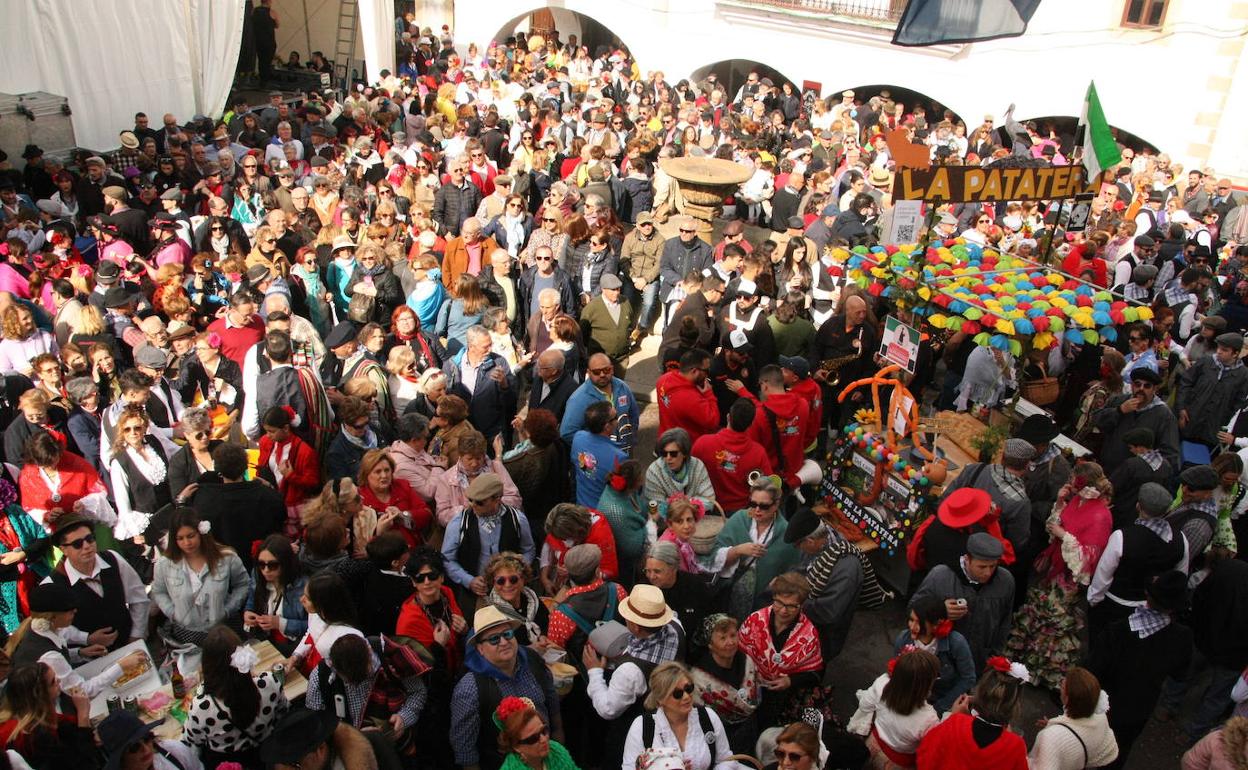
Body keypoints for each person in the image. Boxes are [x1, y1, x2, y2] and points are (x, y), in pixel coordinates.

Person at [1005, 462, 1113, 691]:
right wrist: (1060, 502)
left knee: (1052, 623)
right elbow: (1055, 524)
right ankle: (1025, 657)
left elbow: (1087, 557)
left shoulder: (1100, 517)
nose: (1069, 480)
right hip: (1051, 570)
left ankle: (1041, 671)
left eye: (1073, 477)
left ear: (1083, 483)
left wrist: (1063, 535)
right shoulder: (1077, 500)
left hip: (1067, 581)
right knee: (1038, 612)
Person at [1089, 570, 1194, 769]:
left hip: (1103, 705)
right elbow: (1180, 675)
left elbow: (1093, 669)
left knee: (1087, 749)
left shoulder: (1118, 632)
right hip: (1139, 709)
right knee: (1116, 754)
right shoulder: (1183, 637)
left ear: (1148, 595)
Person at [450, 605, 563, 770]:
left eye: (507, 634)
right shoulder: (470, 689)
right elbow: (465, 750)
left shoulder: (532, 660)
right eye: (494, 639)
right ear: (480, 649)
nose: (504, 642)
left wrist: (558, 742)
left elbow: (552, 705)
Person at [184, 625, 288, 768]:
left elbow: (191, 740)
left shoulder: (201, 706)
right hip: (265, 756)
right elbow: (283, 712)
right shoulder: (270, 683)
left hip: (224, 764)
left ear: (207, 665)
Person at [911, 532, 1015, 670]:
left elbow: (1004, 622)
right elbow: (912, 609)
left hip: (977, 661)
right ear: (967, 559)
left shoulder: (1005, 582)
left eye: (993, 566)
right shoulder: (941, 576)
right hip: (939, 659)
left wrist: (995, 655)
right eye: (982, 567)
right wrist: (940, 609)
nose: (988, 573)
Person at [45, 514, 149, 650]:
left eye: (90, 539)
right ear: (64, 549)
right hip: (90, 658)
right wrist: (86, 638)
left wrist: (136, 636)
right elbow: (51, 627)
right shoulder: (52, 584)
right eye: (78, 544)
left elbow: (138, 598)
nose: (87, 546)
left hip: (129, 642)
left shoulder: (113, 559)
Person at [150, 508, 250, 647]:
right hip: (187, 633)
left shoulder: (227, 558)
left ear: (201, 533)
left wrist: (228, 609)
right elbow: (159, 591)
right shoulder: (164, 564)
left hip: (225, 628)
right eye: (180, 538)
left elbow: (243, 584)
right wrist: (172, 613)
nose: (187, 543)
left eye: (190, 536)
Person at [738, 571, 825, 731]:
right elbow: (739, 652)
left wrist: (790, 680)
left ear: (802, 605)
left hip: (782, 699)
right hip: (749, 686)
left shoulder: (809, 634)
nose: (784, 611)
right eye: (779, 603)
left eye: (792, 606)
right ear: (774, 597)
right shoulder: (755, 620)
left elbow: (815, 672)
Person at [620, 661, 736, 770]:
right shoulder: (642, 727)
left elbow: (726, 760)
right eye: (677, 694)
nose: (686, 696)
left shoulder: (708, 717)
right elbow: (629, 768)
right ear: (660, 699)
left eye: (688, 689)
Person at [186, 442, 285, 569]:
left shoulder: (204, 498)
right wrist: (270, 489)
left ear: (218, 469)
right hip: (261, 564)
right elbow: (281, 514)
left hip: (224, 565)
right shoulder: (266, 495)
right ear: (245, 467)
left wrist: (181, 502)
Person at [712, 476, 800, 619]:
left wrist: (781, 581)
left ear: (776, 504)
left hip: (764, 604)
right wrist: (737, 550)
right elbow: (713, 555)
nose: (757, 510)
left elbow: (794, 571)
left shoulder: (786, 533)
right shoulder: (739, 519)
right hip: (728, 595)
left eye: (764, 506)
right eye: (753, 504)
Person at [442, 473, 536, 604]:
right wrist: (469, 580)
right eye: (470, 500)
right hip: (474, 594)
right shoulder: (459, 522)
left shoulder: (517, 519)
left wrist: (514, 574)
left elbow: (528, 550)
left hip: (511, 591)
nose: (473, 505)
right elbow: (447, 559)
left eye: (480, 502)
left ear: (497, 499)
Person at [914, 664, 1029, 770]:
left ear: (980, 693)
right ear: (1015, 704)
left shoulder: (955, 722)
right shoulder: (1016, 747)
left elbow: (925, 758)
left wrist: (954, 717)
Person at [847, 649, 941, 768]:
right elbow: (931, 751)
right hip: (897, 764)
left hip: (872, 745)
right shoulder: (929, 719)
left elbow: (865, 705)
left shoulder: (882, 683)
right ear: (926, 684)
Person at [0, 662, 96, 767]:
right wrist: (83, 715)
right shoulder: (36, 737)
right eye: (53, 681)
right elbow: (83, 763)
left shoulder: (39, 719)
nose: (59, 681)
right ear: (41, 696)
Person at [1027, 667, 1119, 770]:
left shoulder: (1050, 738)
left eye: (1062, 686)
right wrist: (1056, 726)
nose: (1060, 684)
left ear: (1068, 698)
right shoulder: (1100, 717)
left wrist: (1019, 756)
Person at [693, 398, 773, 515]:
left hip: (708, 510)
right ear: (751, 424)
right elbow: (767, 486)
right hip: (742, 514)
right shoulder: (759, 452)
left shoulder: (703, 443)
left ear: (728, 417)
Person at [1093, 366, 1182, 472]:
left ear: (1154, 389)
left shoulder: (1164, 415)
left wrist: (1146, 457)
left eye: (1147, 386)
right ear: (1132, 385)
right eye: (1137, 384)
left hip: (1133, 475)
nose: (1141, 389)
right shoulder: (1119, 401)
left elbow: (1170, 455)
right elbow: (1097, 420)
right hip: (1106, 467)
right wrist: (1119, 411)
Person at [243, 534, 308, 656]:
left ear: (285, 563)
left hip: (293, 648)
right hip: (265, 641)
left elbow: (313, 626)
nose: (266, 570)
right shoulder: (257, 575)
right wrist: (248, 611)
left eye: (272, 565)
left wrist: (281, 623)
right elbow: (252, 598)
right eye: (261, 564)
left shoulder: (303, 586)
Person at [357, 448, 432, 548]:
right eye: (378, 472)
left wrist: (404, 516)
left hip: (412, 550)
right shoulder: (359, 498)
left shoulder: (402, 485)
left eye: (387, 470)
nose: (384, 475)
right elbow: (360, 547)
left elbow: (427, 513)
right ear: (366, 474)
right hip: (382, 557)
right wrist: (379, 533)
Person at [97, 708, 206, 770]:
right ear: (120, 757)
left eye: (147, 738)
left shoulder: (173, 751)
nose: (145, 749)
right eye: (135, 747)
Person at [484, 552, 549, 649]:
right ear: (493, 583)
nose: (507, 585)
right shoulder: (489, 614)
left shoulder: (533, 599)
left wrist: (543, 637)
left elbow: (545, 624)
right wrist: (530, 650)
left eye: (513, 579)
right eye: (501, 581)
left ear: (523, 579)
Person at [493, 695, 578, 770]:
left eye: (543, 731)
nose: (544, 739)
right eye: (533, 738)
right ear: (516, 746)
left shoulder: (556, 750)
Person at [644, 428, 716, 516]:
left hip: (694, 520)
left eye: (673, 454)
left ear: (685, 453)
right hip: (665, 525)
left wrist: (677, 504)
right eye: (664, 453)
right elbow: (655, 509)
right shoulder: (654, 472)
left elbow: (709, 500)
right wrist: (694, 502)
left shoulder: (697, 465)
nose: (668, 458)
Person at [570, 401, 627, 508]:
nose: (618, 419)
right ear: (607, 426)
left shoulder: (578, 437)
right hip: (603, 513)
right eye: (616, 417)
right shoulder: (618, 457)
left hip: (581, 507)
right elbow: (624, 490)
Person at [656, 349, 720, 445]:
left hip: (665, 440)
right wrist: (708, 394)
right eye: (706, 371)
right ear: (694, 371)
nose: (708, 374)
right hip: (686, 448)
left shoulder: (663, 379)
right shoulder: (692, 398)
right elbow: (713, 422)